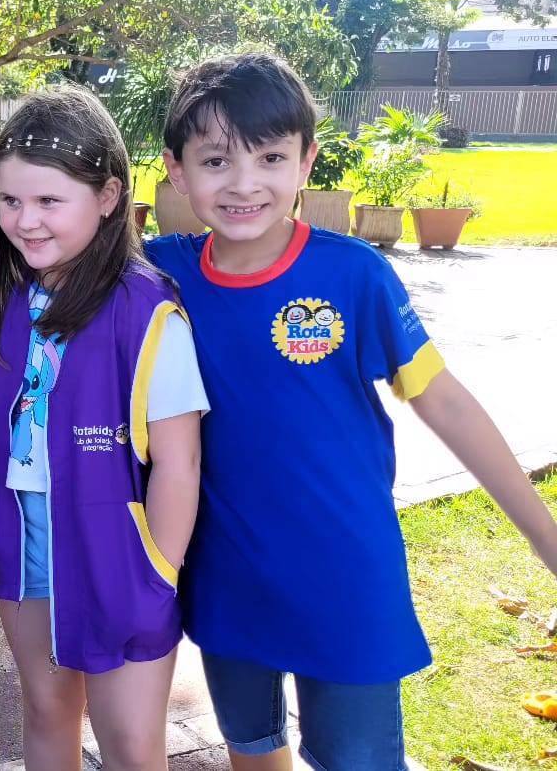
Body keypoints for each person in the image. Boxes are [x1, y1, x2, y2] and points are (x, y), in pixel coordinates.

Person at [146, 52, 557, 770]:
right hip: (224, 576)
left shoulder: (352, 274)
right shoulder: (160, 275)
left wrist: (545, 538)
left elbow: (446, 403)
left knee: (356, 760)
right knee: (251, 747)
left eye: (271, 157)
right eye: (215, 161)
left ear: (307, 160)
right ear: (176, 171)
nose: (243, 183)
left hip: (345, 575)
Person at [0, 87, 206, 770]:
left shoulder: (147, 311)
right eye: (9, 200)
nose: (25, 221)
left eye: (49, 201)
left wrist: (158, 572)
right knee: (46, 711)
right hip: (21, 538)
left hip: (119, 548)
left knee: (131, 746)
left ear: (109, 196)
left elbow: (179, 462)